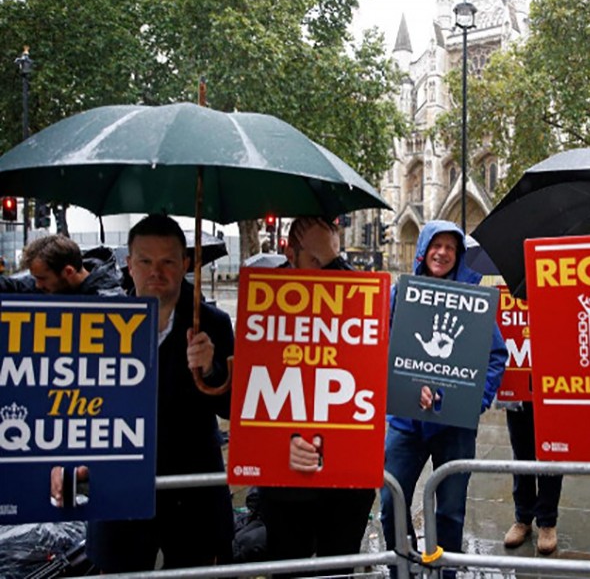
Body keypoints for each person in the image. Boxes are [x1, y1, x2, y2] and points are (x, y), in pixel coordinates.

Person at [86, 214, 235, 572]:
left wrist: (212, 368)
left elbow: (232, 405)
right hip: (121, 487)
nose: (156, 271)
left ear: (185, 264)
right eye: (145, 261)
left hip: (193, 491)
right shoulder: (98, 322)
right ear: (129, 264)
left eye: (168, 261)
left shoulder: (212, 323)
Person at [380, 220, 508, 576]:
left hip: (454, 425)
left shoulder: (473, 299)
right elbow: (381, 348)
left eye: (450, 248)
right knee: (391, 503)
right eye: (436, 245)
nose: (442, 253)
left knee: (450, 511)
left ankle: (444, 573)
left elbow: (497, 356)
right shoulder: (399, 295)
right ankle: (402, 567)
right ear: (423, 250)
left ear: (459, 255)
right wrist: (403, 387)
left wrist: (475, 400)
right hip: (405, 423)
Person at [257, 217, 376, 578]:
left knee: (338, 569)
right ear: (289, 252)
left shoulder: (359, 298)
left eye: (334, 262)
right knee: (288, 567)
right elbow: (254, 396)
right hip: (287, 485)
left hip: (347, 483)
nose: (328, 274)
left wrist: (329, 257)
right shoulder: (266, 301)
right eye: (316, 262)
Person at [501, 391, 563, 555]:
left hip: (552, 388)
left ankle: (547, 522)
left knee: (551, 454)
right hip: (519, 391)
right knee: (521, 454)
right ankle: (523, 518)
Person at [0, 234, 123, 296]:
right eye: (36, 278)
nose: (37, 285)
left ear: (68, 272)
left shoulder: (109, 300)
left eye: (42, 278)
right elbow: (13, 286)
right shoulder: (52, 284)